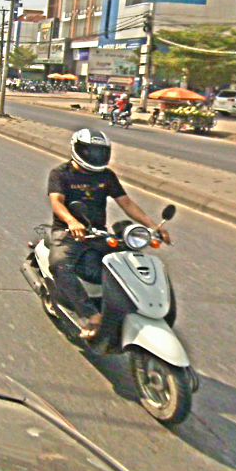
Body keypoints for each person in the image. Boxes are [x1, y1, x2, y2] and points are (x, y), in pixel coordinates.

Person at [47, 129, 172, 341]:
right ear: (77, 148)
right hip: (68, 232)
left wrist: (153, 227)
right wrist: (71, 221)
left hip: (98, 232)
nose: (95, 156)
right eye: (90, 151)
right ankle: (91, 315)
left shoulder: (106, 176)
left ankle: (130, 306)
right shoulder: (61, 174)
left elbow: (126, 203)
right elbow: (57, 202)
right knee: (60, 265)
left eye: (99, 152)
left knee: (126, 263)